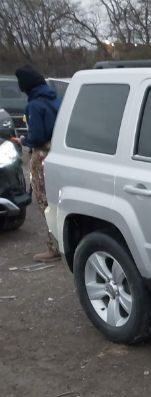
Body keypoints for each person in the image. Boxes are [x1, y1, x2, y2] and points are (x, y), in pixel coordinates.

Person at [15, 65, 62, 262]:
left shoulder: (34, 105)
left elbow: (36, 136)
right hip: (60, 153)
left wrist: (23, 141)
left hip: (43, 155)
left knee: (44, 201)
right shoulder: (55, 99)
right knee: (59, 201)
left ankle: (54, 248)